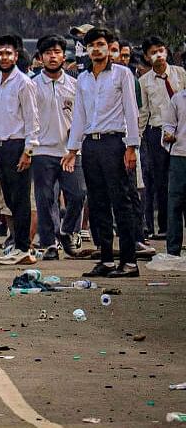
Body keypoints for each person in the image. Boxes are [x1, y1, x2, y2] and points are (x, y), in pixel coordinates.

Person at [63, 27, 142, 278]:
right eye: (91, 46)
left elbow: (131, 110)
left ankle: (129, 262)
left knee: (122, 202)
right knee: (97, 204)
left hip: (115, 143)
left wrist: (131, 146)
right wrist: (72, 149)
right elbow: (79, 116)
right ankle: (106, 259)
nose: (96, 50)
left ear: (109, 47)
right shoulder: (84, 79)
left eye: (100, 44)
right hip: (91, 145)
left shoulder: (122, 74)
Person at [0, 35, 42, 265]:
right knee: (8, 199)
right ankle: (17, 244)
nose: (4, 57)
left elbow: (32, 120)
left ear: (16, 56)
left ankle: (24, 248)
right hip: (3, 146)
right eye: (0, 53)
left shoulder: (24, 82)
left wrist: (28, 151)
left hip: (19, 145)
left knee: (21, 199)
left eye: (8, 53)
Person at [31, 35, 88, 259]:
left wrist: (76, 148)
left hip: (71, 151)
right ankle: (49, 244)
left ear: (64, 56)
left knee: (77, 194)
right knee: (45, 200)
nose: (52, 57)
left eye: (56, 52)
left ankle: (66, 231)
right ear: (41, 57)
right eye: (48, 53)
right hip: (42, 150)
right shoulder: (32, 85)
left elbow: (82, 117)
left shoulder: (75, 85)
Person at [138, 36, 184, 240]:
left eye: (161, 50)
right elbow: (143, 111)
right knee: (160, 180)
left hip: (182, 131)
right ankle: (164, 227)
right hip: (157, 132)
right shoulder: (144, 81)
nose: (159, 55)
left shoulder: (180, 73)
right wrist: (138, 138)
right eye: (153, 52)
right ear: (147, 57)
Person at [161, 85, 186, 256]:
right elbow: (168, 125)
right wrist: (168, 135)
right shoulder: (178, 98)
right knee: (175, 203)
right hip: (180, 155)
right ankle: (173, 249)